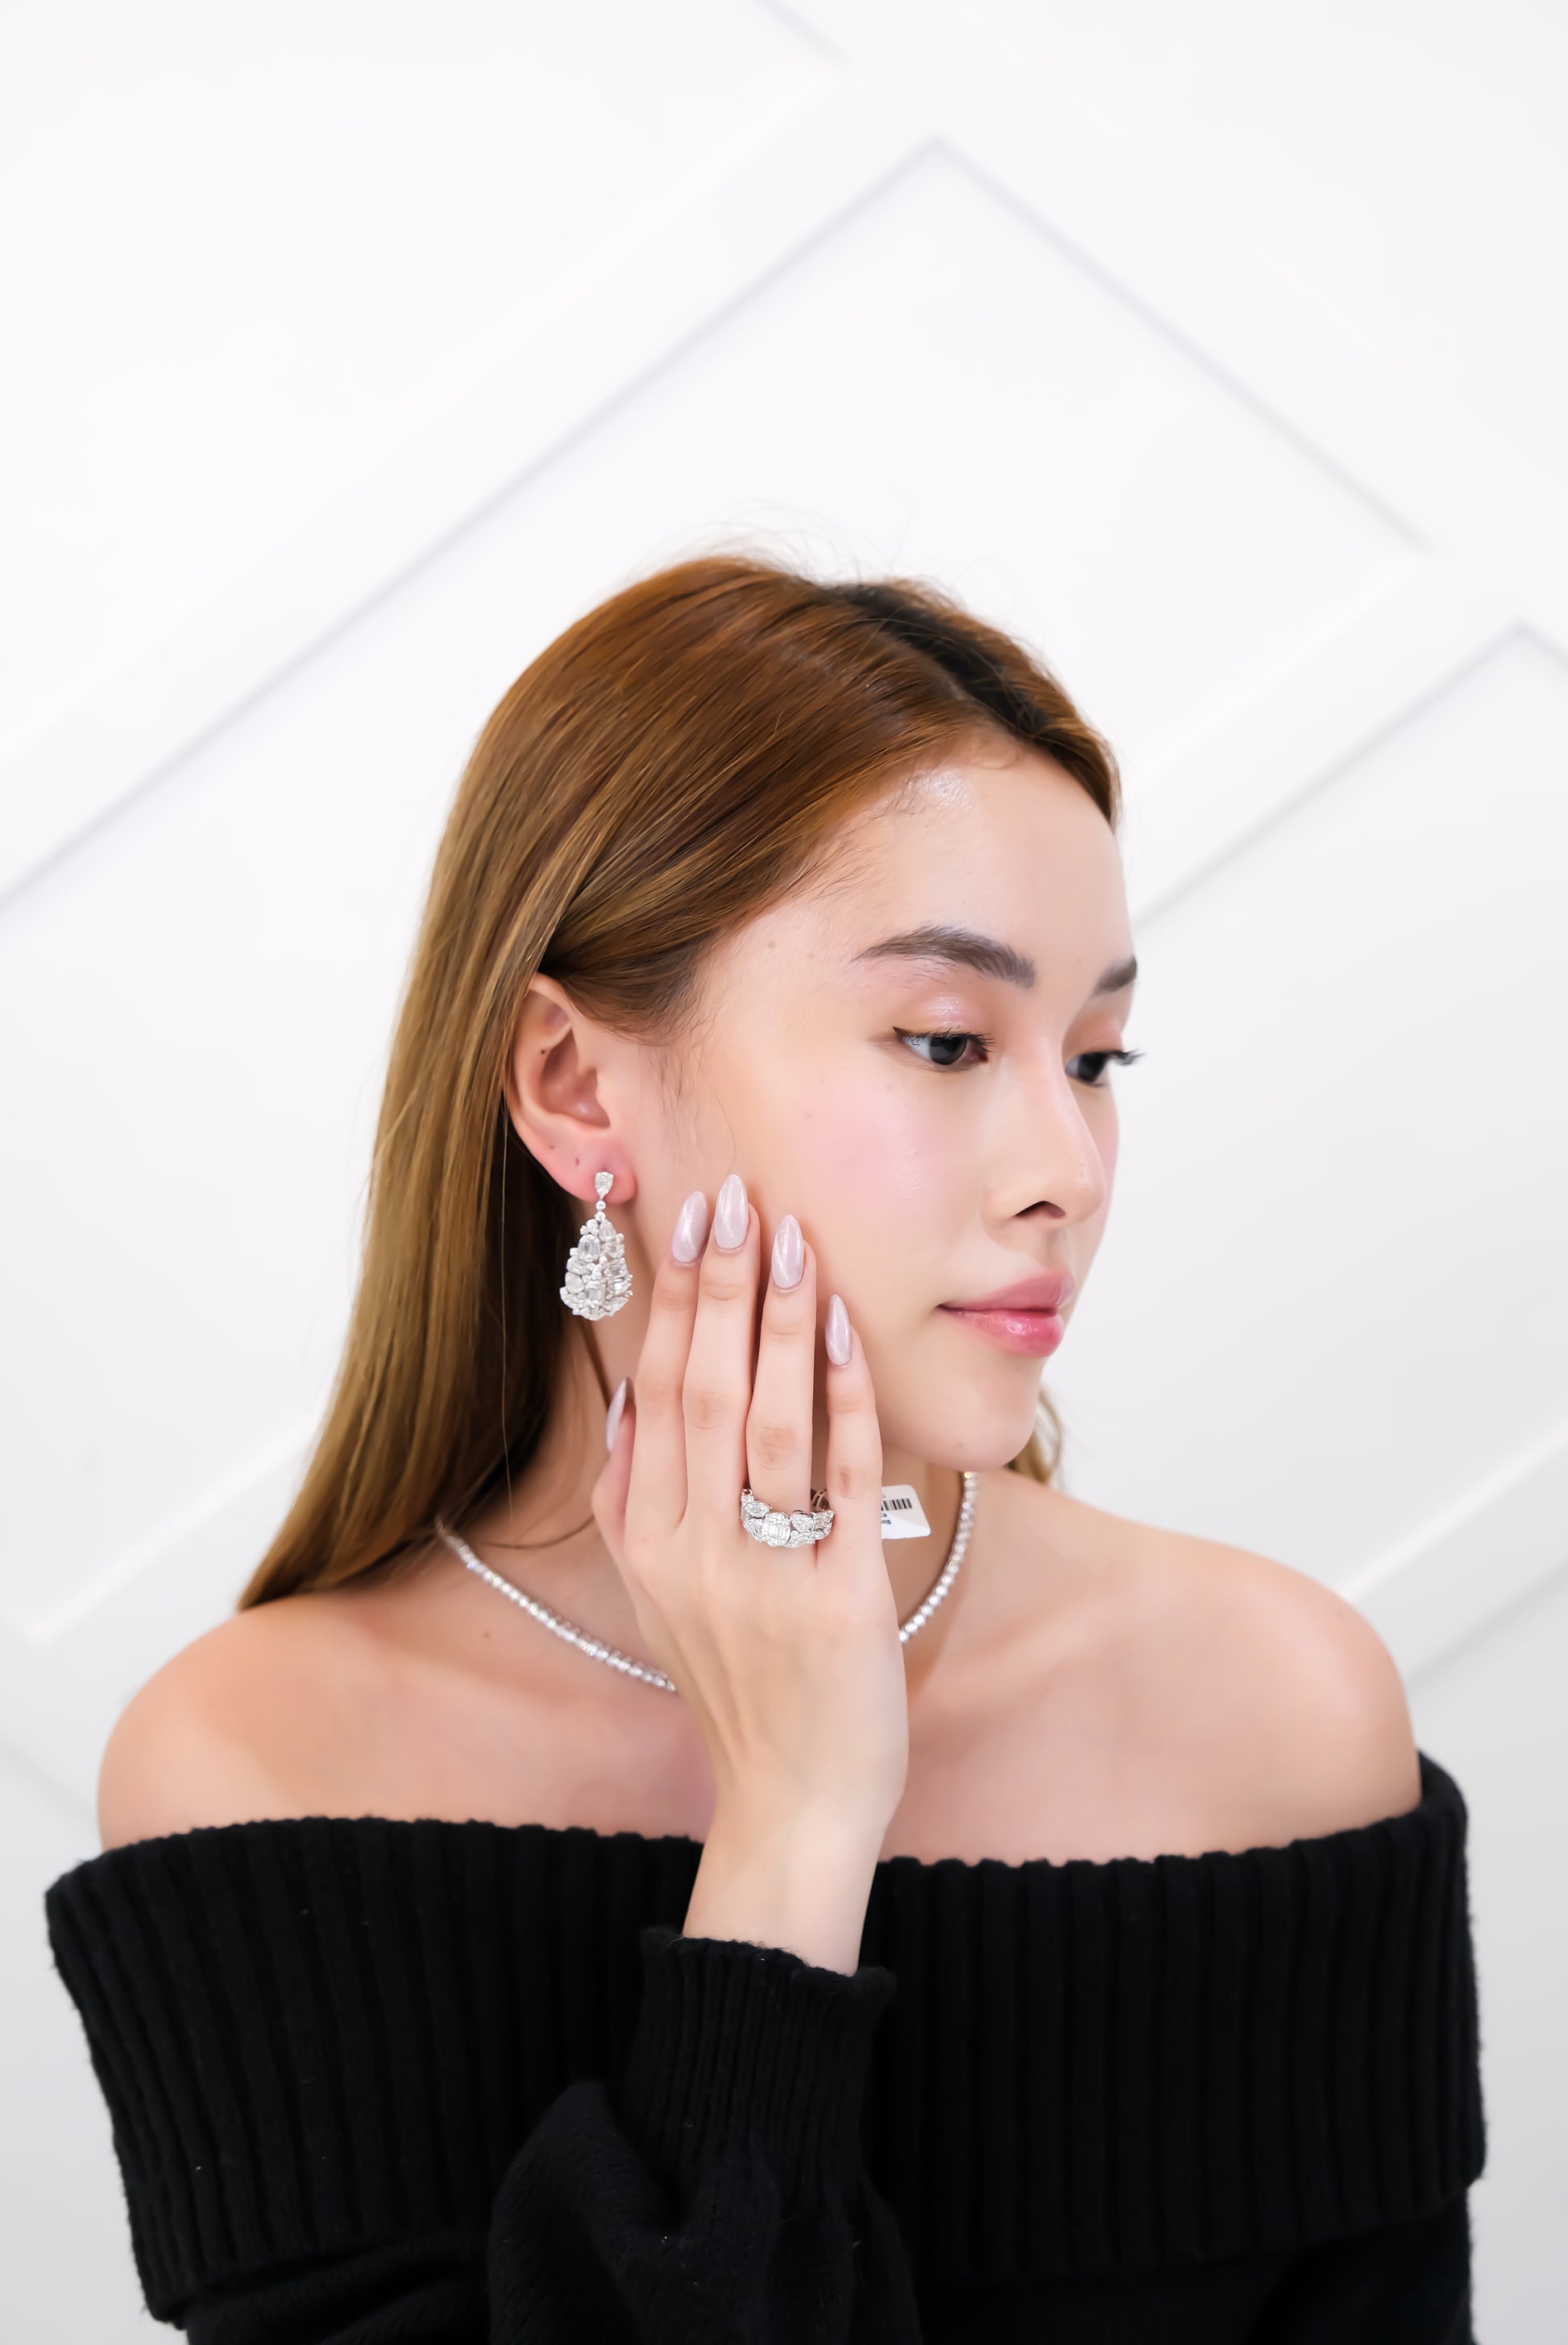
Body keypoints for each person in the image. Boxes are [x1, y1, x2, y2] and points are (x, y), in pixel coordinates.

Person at [46, 557, 1485, 2341]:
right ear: (575, 1086)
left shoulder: (1276, 1715)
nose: (1070, 1169)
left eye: (1098, 1056)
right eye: (945, 1040)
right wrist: (792, 1834)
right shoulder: (259, 1772)